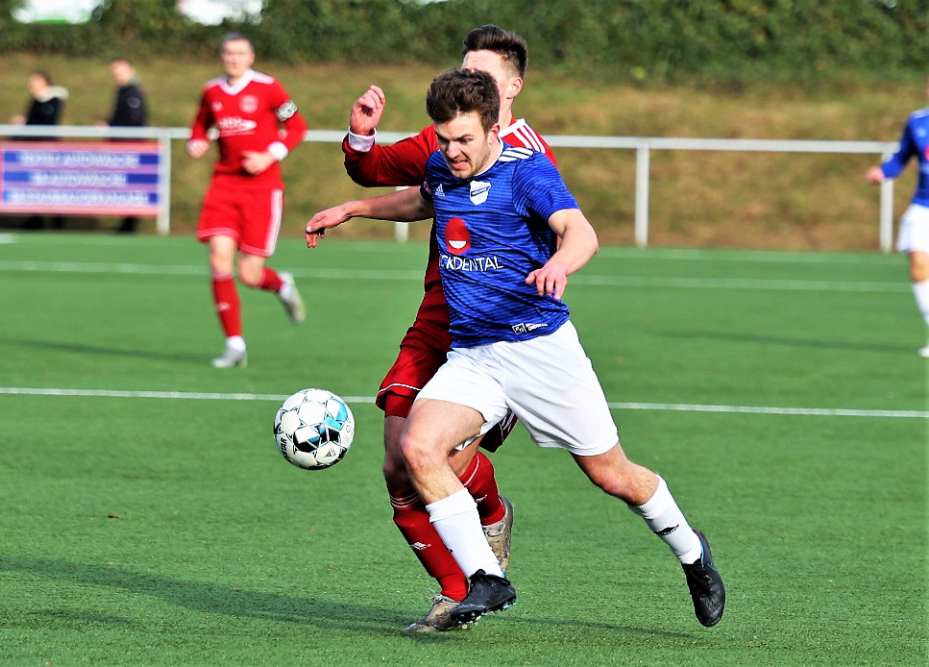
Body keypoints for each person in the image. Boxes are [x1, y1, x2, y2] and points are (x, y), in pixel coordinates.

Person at [306, 68, 726, 629]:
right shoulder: (443, 163)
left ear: (493, 128)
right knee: (417, 448)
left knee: (612, 475)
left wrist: (557, 263)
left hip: (542, 353)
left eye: (464, 140)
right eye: (444, 138)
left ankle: (692, 552)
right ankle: (486, 578)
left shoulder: (528, 175)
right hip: (475, 356)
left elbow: (582, 232)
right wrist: (353, 209)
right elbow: (422, 199)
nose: (451, 151)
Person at [336, 25, 555, 632]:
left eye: (482, 76)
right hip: (437, 320)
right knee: (394, 465)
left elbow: (559, 237)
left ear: (512, 87)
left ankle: (491, 515)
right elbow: (379, 171)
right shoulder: (445, 141)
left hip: (497, 337)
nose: (469, 83)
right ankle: (458, 589)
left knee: (440, 460)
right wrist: (361, 134)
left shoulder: (532, 159)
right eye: (464, 71)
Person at [188, 32, 308, 368]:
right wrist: (195, 142)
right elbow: (199, 126)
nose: (234, 58)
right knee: (218, 258)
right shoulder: (211, 91)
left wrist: (269, 156)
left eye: (240, 53)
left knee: (250, 275)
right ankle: (234, 344)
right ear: (222, 56)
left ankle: (281, 285)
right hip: (224, 186)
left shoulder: (269, 87)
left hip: (262, 188)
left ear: (251, 57)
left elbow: (297, 127)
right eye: (228, 53)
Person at [866, 76, 929, 357]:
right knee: (919, 266)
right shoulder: (917, 122)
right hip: (923, 206)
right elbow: (902, 157)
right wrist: (884, 171)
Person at [10, 71, 69, 229]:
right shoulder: (36, 101)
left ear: (44, 83)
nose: (31, 87)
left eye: (35, 82)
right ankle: (37, 218)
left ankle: (58, 218)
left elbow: (47, 122)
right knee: (35, 183)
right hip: (34, 148)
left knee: (51, 183)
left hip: (47, 149)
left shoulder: (52, 101)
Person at [98, 58, 148, 233]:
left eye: (120, 72)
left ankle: (130, 222)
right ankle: (127, 222)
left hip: (131, 146)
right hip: (123, 144)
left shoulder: (133, 92)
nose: (117, 76)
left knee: (132, 183)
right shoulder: (123, 91)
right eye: (115, 73)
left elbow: (134, 118)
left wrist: (112, 127)